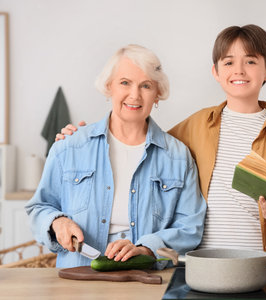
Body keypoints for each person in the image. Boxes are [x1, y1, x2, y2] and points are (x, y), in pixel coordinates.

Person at [56, 25, 266, 257]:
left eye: (250, 61)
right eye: (228, 63)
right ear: (215, 71)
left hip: (264, 261)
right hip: (201, 263)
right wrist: (80, 138)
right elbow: (143, 142)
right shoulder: (195, 125)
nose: (239, 70)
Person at [26, 44, 206, 269]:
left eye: (146, 85)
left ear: (157, 94)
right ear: (108, 86)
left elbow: (190, 227)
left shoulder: (178, 156)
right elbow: (39, 207)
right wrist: (57, 222)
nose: (135, 95)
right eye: (125, 83)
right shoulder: (70, 146)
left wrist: (146, 248)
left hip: (147, 279)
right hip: (78, 279)